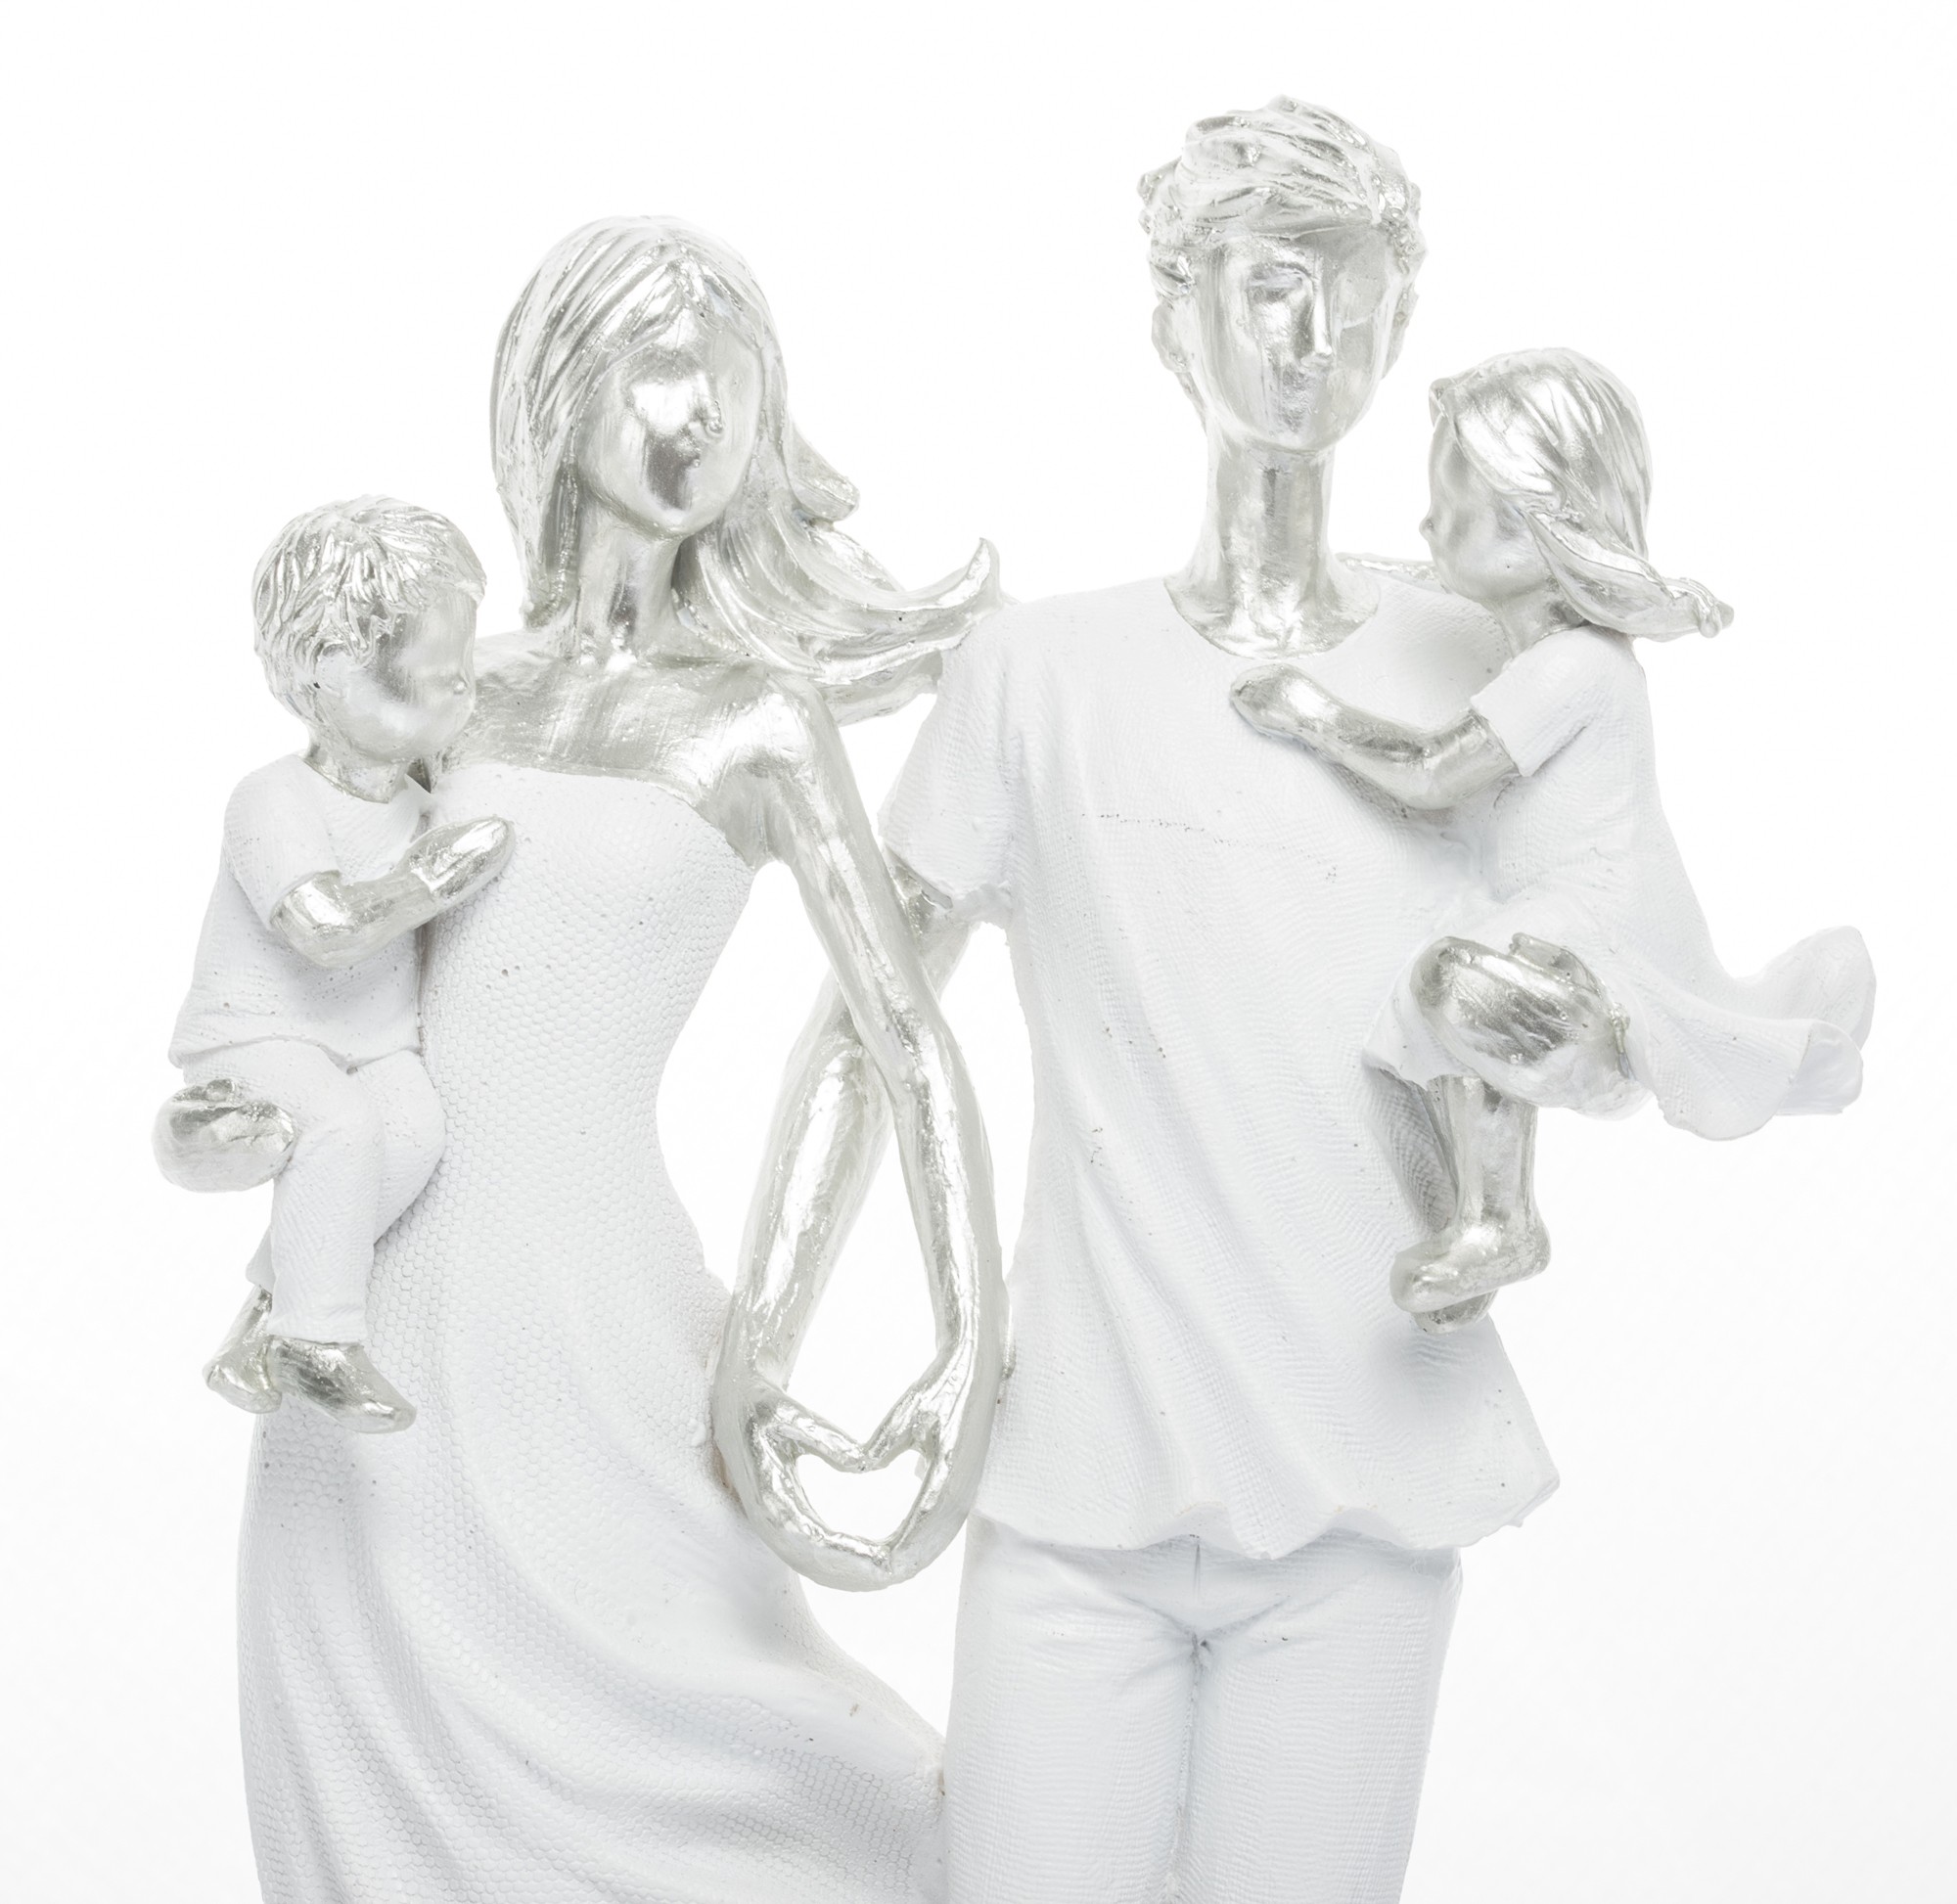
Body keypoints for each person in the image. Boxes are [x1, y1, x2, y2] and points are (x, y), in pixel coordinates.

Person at [748, 101, 1563, 1903]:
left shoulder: (1479, 668)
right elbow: (873, 1016)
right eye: (1269, 283)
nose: (1312, 337)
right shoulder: (1040, 674)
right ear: (1173, 320)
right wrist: (773, 1324)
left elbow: (1591, 956)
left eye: (1350, 290)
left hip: (1358, 1481)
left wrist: (1573, 1076)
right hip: (1076, 1491)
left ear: (1401, 320)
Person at [160, 217, 1005, 1902]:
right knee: (380, 1788)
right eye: (661, 373)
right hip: (370, 1315)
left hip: (604, 1317)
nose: (704, 419)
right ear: (561, 395)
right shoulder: (435, 693)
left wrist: (951, 1355)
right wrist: (210, 1125)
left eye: (737, 384)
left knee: (760, 1744)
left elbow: (901, 1036)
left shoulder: (757, 716)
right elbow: (281, 962)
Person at [1233, 348, 1875, 1319]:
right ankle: (1471, 1220)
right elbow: (1426, 580)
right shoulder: (1548, 645)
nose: (1425, 525)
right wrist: (1329, 573)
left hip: (1598, 929)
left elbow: (1434, 771)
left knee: (1455, 985)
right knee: (1460, 988)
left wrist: (1313, 715)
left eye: (1448, 506)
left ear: (1526, 532)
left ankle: (1499, 1220)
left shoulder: (1572, 668)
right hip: (1563, 914)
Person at [165, 498, 512, 1430]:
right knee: (341, 1128)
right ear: (329, 666)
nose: (462, 689)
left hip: (371, 1042)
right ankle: (319, 1345)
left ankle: (267, 1320)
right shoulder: (273, 798)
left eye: (464, 669)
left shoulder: (420, 800)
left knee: (411, 1135)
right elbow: (322, 927)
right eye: (436, 673)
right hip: (263, 1034)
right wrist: (432, 879)